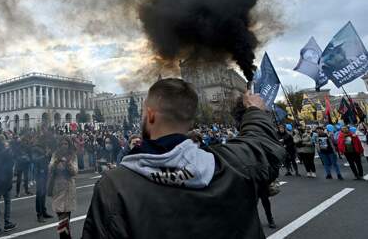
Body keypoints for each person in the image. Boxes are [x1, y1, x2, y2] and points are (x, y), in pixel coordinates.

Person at [82, 78, 285, 239]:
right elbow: (262, 143)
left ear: (150, 114)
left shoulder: (115, 186)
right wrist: (254, 110)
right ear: (191, 117)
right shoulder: (233, 163)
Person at [48, 137, 78, 239]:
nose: (64, 146)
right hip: (58, 190)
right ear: (59, 145)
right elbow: (50, 168)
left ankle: (66, 237)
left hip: (69, 190)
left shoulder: (72, 156)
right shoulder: (55, 155)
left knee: (66, 219)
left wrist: (68, 163)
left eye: (66, 144)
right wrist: (56, 162)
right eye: (62, 144)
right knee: (62, 219)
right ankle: (65, 237)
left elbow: (75, 171)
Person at [31, 140, 53, 223]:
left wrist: (49, 154)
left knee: (43, 193)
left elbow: (47, 159)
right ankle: (39, 214)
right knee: (39, 194)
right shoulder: (35, 148)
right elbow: (34, 160)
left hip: (44, 172)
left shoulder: (44, 148)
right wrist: (45, 155)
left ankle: (44, 211)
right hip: (39, 173)